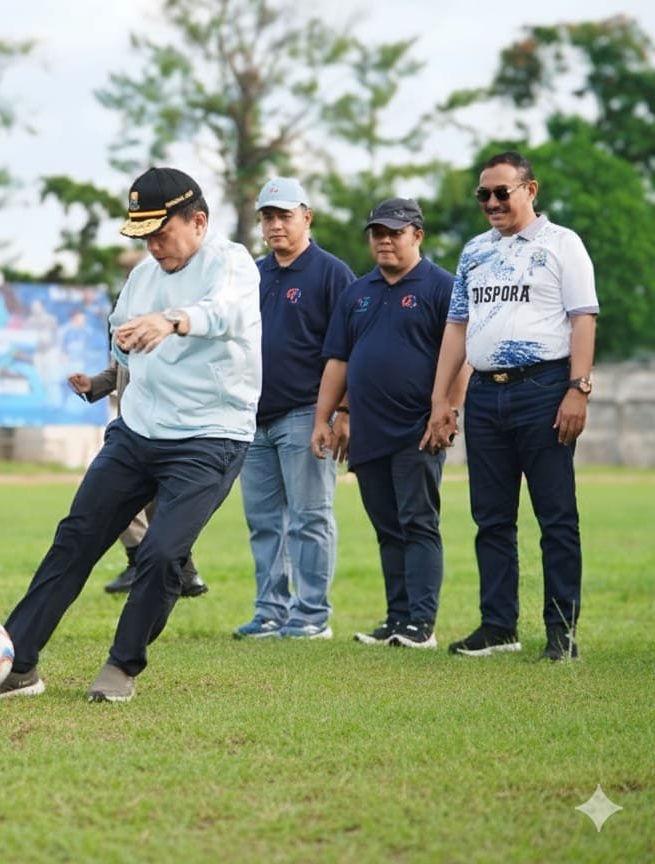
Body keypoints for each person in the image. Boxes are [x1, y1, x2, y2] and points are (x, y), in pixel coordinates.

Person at [0, 166, 261, 702]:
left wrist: (172, 321)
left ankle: (121, 667)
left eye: (161, 233)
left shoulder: (231, 264)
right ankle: (18, 664)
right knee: (75, 539)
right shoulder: (142, 277)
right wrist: (108, 370)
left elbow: (224, 313)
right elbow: (123, 337)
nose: (153, 247)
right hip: (136, 433)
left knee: (161, 554)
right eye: (144, 236)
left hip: (210, 437)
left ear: (198, 220)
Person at [424, 151, 597, 662]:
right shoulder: (474, 252)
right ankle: (499, 627)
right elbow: (457, 327)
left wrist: (577, 389)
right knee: (492, 519)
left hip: (544, 389)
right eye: (484, 194)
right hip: (485, 394)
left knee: (556, 517)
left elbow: (583, 318)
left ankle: (561, 633)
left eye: (503, 192)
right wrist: (441, 400)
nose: (493, 202)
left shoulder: (562, 245)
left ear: (531, 190)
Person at [311, 198, 468, 649]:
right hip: (367, 430)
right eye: (377, 232)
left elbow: (462, 361)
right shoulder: (357, 293)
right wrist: (328, 417)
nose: (384, 240)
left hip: (418, 428)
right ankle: (397, 619)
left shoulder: (443, 287)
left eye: (394, 232)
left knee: (418, 522)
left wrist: (448, 411)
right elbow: (338, 361)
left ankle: (422, 624)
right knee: (387, 528)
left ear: (417, 235)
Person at [234, 177, 355, 641]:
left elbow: (347, 348)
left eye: (285, 215)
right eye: (268, 216)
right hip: (254, 417)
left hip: (307, 413)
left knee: (309, 518)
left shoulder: (331, 273)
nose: (275, 224)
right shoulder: (253, 275)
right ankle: (270, 611)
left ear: (307, 216)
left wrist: (340, 411)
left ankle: (311, 615)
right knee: (263, 522)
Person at [68, 360, 208, 598]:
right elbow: (121, 367)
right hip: (132, 427)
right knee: (136, 500)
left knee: (150, 503)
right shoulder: (122, 323)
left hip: (168, 426)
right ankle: (181, 572)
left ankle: (155, 566)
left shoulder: (171, 325)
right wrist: (93, 385)